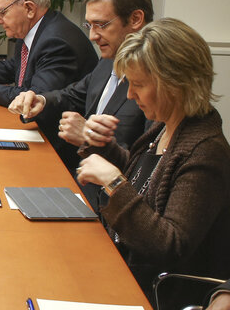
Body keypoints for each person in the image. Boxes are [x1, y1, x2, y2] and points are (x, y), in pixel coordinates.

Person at [76, 18, 230, 308]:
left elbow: (169, 246)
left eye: (138, 85)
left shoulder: (206, 152)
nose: (131, 95)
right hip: (118, 265)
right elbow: (148, 182)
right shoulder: (167, 125)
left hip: (150, 292)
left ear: (176, 85)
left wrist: (113, 182)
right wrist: (104, 147)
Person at [8, 0, 152, 187]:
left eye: (101, 25)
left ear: (135, 19)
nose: (93, 36)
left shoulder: (155, 80)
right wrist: (41, 100)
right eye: (90, 25)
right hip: (80, 179)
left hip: (109, 201)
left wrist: (89, 138)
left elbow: (144, 171)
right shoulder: (108, 60)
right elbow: (74, 93)